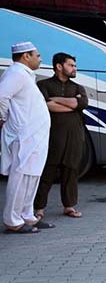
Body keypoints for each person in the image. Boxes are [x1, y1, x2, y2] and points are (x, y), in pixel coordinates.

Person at [0, 42, 53, 234]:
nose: (40, 59)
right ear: (25, 56)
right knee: (20, 177)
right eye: (37, 55)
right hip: (24, 135)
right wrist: (2, 117)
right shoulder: (16, 73)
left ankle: (27, 215)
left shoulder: (25, 75)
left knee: (32, 176)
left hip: (34, 136)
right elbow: (1, 96)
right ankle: (12, 220)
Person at [33, 52, 89, 220]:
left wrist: (57, 99)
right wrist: (72, 104)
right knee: (47, 172)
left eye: (74, 66)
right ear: (59, 66)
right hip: (52, 136)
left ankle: (69, 206)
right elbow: (46, 106)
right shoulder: (43, 85)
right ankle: (39, 208)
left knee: (71, 171)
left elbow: (82, 104)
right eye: (71, 65)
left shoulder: (78, 88)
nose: (74, 68)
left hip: (74, 136)